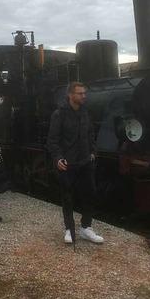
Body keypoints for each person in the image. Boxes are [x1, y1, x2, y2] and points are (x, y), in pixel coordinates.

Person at [47, 82, 104, 245]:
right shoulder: (59, 114)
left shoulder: (86, 113)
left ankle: (86, 227)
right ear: (70, 95)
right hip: (68, 163)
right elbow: (52, 140)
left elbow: (91, 134)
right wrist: (58, 158)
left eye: (84, 93)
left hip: (86, 161)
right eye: (80, 93)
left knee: (90, 193)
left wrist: (93, 152)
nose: (84, 96)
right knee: (68, 197)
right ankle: (69, 229)